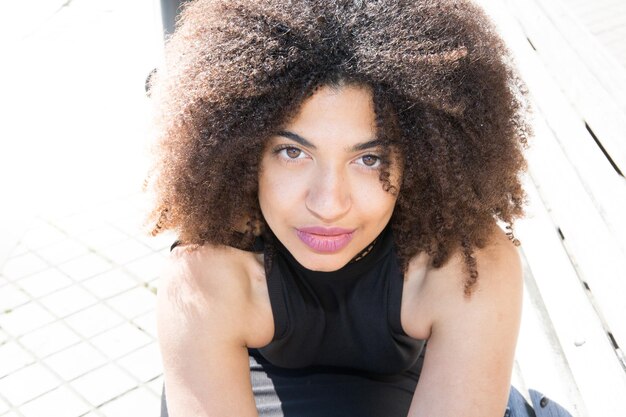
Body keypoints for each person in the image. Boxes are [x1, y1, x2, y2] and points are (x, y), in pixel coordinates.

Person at [144, 0, 548, 416]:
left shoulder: (466, 267)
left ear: (422, 158)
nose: (329, 205)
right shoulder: (205, 276)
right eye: (292, 152)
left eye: (369, 159)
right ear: (244, 154)